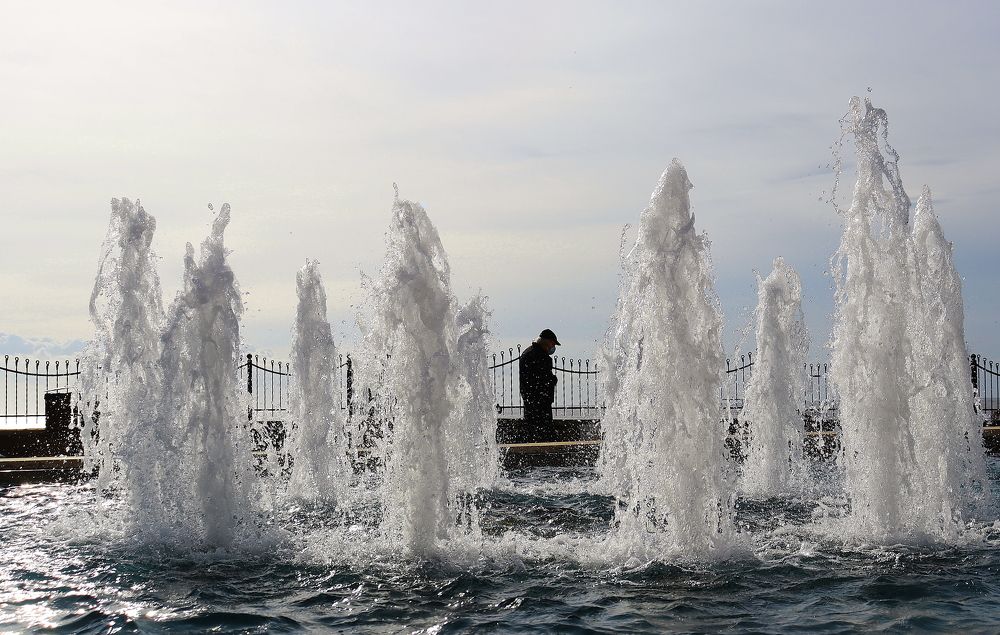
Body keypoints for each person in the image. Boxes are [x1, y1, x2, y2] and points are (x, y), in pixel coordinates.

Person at [519, 329, 560, 429]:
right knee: (544, 432)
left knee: (531, 430)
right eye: (552, 344)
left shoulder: (527, 353)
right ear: (546, 342)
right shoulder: (543, 357)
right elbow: (545, 379)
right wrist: (553, 379)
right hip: (541, 402)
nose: (553, 347)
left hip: (529, 400)